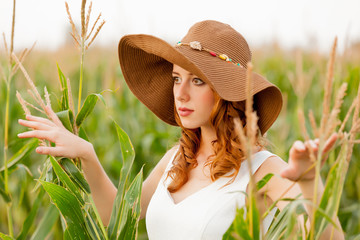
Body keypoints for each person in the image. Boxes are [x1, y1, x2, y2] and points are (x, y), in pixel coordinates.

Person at [18, 20, 344, 239]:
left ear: (227, 91)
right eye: (177, 79)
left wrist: (309, 182)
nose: (180, 93)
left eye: (197, 80)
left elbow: (320, 233)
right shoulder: (177, 158)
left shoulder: (265, 170)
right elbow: (116, 217)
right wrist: (86, 154)